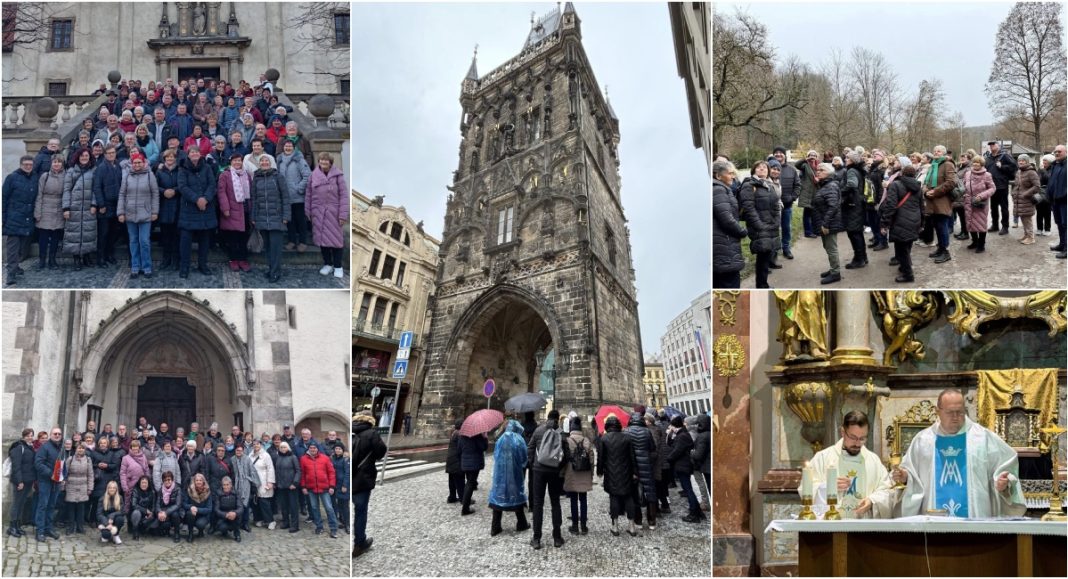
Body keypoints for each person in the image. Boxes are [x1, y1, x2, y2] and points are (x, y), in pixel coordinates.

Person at [892, 389, 1026, 517]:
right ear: (937, 411)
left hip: (975, 521)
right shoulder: (923, 440)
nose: (955, 417)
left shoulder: (982, 437)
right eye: (950, 412)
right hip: (934, 523)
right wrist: (906, 477)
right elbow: (911, 475)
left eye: (960, 412)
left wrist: (1004, 483)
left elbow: (1007, 464)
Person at [801, 411, 893, 519]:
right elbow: (805, 489)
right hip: (831, 527)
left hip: (863, 529)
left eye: (862, 438)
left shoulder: (873, 461)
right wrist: (827, 487)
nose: (857, 443)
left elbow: (887, 490)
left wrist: (872, 501)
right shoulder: (823, 457)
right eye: (853, 437)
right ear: (843, 432)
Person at [526, 409, 569, 549]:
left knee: (538, 503)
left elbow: (530, 448)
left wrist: (533, 464)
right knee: (555, 502)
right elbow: (567, 455)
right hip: (554, 472)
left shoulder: (538, 430)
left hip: (538, 471)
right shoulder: (561, 433)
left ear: (548, 418)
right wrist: (558, 465)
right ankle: (557, 537)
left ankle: (536, 539)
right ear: (557, 419)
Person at [305, 152, 349, 277]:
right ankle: (327, 264)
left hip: (334, 212)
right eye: (321, 160)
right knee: (322, 240)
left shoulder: (337, 176)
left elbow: (344, 195)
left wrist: (343, 215)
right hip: (318, 212)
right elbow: (308, 194)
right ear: (318, 161)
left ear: (330, 162)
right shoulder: (313, 176)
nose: (323, 162)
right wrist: (308, 211)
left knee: (336, 241)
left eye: (326, 161)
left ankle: (338, 266)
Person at [177, 146, 218, 278]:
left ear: (200, 154)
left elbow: (212, 185)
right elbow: (182, 186)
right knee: (185, 241)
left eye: (196, 152)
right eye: (192, 152)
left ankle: (203, 264)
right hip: (189, 209)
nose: (194, 154)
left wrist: (205, 199)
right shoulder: (183, 169)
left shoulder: (207, 168)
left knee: (204, 240)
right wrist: (196, 199)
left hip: (205, 208)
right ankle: (184, 267)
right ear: (188, 155)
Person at [116, 153, 159, 278]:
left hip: (145, 213)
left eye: (139, 162)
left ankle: (147, 266)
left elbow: (155, 194)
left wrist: (155, 211)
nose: (137, 164)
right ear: (132, 163)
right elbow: (122, 194)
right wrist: (121, 212)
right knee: (133, 241)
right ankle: (135, 266)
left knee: (144, 241)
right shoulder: (127, 176)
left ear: (143, 162)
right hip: (130, 213)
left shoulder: (149, 175)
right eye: (135, 162)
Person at [738, 160, 779, 288]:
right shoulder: (749, 185)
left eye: (765, 168)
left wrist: (777, 220)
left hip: (771, 225)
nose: (762, 169)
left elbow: (776, 205)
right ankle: (761, 285)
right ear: (754, 170)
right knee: (763, 256)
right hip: (759, 226)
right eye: (759, 167)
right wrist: (759, 225)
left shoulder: (769, 185)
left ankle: (763, 283)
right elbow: (749, 208)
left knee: (767, 254)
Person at [879, 163, 923, 282]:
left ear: (902, 173)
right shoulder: (918, 187)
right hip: (915, 219)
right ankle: (904, 267)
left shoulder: (895, 185)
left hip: (900, 220)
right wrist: (921, 223)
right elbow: (921, 206)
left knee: (901, 249)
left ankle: (908, 275)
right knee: (907, 246)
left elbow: (890, 206)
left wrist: (884, 223)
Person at [351, 411, 387, 557]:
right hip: (362, 478)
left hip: (350, 477)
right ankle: (359, 543)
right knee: (360, 511)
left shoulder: (351, 431)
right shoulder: (371, 433)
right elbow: (381, 451)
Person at [251, 154, 291, 283]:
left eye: (266, 160)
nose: (264, 162)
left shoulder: (278, 177)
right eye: (262, 161)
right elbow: (254, 199)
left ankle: (275, 272)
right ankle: (271, 269)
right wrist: (253, 217)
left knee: (276, 249)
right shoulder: (256, 178)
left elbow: (285, 197)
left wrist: (286, 216)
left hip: (277, 218)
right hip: (262, 217)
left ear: (271, 162)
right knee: (267, 248)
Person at [488, 419, 531, 537]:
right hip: (515, 472)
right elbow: (524, 458)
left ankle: (495, 527)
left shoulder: (500, 439)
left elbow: (496, 456)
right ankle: (521, 523)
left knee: (499, 495)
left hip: (500, 473)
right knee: (516, 494)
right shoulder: (519, 440)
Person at [596, 416, 637, 536]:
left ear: (607, 426)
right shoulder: (627, 437)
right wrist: (635, 472)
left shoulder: (604, 438)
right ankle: (632, 526)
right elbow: (632, 457)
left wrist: (599, 471)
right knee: (628, 497)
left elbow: (601, 457)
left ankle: (615, 526)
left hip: (611, 472)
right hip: (626, 472)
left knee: (613, 497)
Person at [3, 156, 38, 285]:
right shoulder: (12, 178)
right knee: (13, 247)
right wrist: (3, 217)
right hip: (14, 217)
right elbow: (4, 198)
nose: (28, 166)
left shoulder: (35, 177)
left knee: (23, 247)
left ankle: (16, 266)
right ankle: (10, 274)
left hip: (28, 217)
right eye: (25, 164)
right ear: (20, 165)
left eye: (30, 164)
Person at [712, 159, 746, 288]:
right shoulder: (719, 190)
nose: (733, 176)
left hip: (722, 245)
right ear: (718, 175)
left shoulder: (721, 189)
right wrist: (742, 231)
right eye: (730, 173)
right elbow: (726, 219)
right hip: (724, 246)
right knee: (730, 287)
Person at [216, 153, 253, 272]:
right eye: (235, 160)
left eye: (239, 160)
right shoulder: (225, 175)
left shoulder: (246, 174)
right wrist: (225, 208)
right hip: (231, 209)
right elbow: (221, 192)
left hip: (245, 209)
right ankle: (233, 259)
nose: (237, 162)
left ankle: (243, 259)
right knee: (233, 237)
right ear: (231, 162)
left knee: (243, 236)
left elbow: (251, 192)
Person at [809, 163, 843, 284]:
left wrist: (825, 224)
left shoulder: (831, 186)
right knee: (828, 247)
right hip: (825, 222)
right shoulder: (825, 184)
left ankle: (835, 273)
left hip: (829, 223)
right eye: (817, 170)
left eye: (821, 170)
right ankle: (833, 269)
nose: (818, 171)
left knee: (831, 248)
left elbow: (833, 206)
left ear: (829, 172)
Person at [922, 146, 957, 264]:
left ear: (944, 153)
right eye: (934, 150)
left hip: (942, 201)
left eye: (938, 151)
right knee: (937, 226)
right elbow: (927, 181)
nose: (936, 152)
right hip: (931, 201)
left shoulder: (948, 164)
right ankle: (940, 248)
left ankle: (945, 252)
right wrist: (926, 191)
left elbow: (951, 182)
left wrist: (935, 191)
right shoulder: (933, 165)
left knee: (942, 226)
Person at [666, 415, 704, 523]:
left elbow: (677, 451)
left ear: (675, 426)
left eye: (672, 426)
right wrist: (670, 435)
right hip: (683, 465)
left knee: (688, 490)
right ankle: (698, 511)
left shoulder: (682, 436)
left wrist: (669, 459)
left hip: (683, 466)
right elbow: (671, 444)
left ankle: (694, 514)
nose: (670, 428)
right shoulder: (682, 434)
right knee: (688, 489)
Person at [624, 411, 658, 530]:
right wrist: (649, 460)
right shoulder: (647, 431)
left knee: (634, 493)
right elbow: (653, 449)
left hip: (632, 467)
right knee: (650, 493)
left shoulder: (626, 431)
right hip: (646, 465)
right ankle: (652, 521)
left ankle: (638, 521)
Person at [276, 140, 311, 253]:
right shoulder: (280, 161)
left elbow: (307, 176)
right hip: (285, 197)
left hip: (298, 197)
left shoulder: (299, 160)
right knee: (289, 220)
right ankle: (291, 241)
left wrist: (299, 188)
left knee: (300, 220)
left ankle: (302, 242)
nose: (288, 148)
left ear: (294, 148)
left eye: (290, 146)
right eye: (286, 146)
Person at [92, 144, 122, 268]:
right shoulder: (101, 167)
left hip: (117, 204)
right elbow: (97, 187)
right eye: (108, 153)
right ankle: (101, 258)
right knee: (103, 234)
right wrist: (101, 204)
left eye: (113, 152)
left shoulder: (118, 166)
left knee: (113, 233)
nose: (111, 155)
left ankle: (109, 254)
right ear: (105, 155)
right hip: (105, 204)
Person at [563, 416, 594, 535]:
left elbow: (564, 459)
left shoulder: (567, 440)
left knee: (573, 500)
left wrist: (563, 473)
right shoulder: (586, 440)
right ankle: (584, 526)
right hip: (584, 472)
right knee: (583, 499)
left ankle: (575, 526)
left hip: (571, 472)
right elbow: (591, 458)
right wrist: (591, 473)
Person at [32, 427, 63, 542]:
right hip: (45, 481)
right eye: (55, 433)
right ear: (51, 435)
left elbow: (61, 464)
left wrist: (62, 476)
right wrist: (51, 474)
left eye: (59, 434)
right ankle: (40, 531)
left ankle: (48, 528)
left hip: (56, 482)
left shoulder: (60, 448)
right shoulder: (45, 447)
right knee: (43, 506)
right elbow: (38, 463)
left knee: (51, 506)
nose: (57, 435)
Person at [300, 443, 338, 538]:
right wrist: (303, 486)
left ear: (317, 449)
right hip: (311, 488)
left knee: (329, 508)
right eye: (311, 448)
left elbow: (331, 472)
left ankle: (333, 528)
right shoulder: (303, 459)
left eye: (314, 448)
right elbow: (302, 474)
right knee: (314, 508)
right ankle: (319, 526)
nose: (312, 449)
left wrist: (332, 486)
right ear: (308, 449)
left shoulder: (325, 458)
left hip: (324, 487)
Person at [983, 141, 1018, 235]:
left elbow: (1014, 167)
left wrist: (1002, 166)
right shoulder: (988, 158)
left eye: (993, 144)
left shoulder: (1005, 156)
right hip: (991, 187)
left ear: (998, 146)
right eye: (990, 145)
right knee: (993, 207)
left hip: (1002, 186)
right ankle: (995, 225)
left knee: (1004, 208)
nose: (991, 146)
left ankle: (1005, 227)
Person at [962, 155, 995, 254]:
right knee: (970, 222)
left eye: (978, 162)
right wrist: (963, 193)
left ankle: (981, 245)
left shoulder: (987, 175)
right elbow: (964, 185)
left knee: (981, 224)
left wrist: (981, 196)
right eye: (974, 162)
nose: (976, 164)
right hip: (968, 202)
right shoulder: (967, 173)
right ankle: (974, 242)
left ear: (982, 164)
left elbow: (992, 188)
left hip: (980, 203)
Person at [7, 429, 36, 537]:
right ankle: (12, 527)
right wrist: (19, 481)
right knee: (16, 504)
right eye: (28, 435)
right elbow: (16, 466)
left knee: (21, 504)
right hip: (20, 481)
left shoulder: (30, 447)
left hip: (28, 481)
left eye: (31, 435)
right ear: (23, 436)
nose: (30, 437)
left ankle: (17, 525)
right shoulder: (19, 447)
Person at [63, 440, 93, 535]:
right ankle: (71, 526)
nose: (80, 450)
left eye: (82, 448)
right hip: (71, 485)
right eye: (79, 448)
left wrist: (90, 488)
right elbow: (65, 473)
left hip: (83, 486)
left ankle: (80, 526)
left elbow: (90, 475)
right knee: (71, 507)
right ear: (76, 449)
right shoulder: (70, 459)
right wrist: (63, 486)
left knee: (81, 508)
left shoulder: (88, 460)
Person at [458, 429, 488, 516]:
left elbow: (459, 449)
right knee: (470, 483)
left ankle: (465, 504)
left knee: (469, 483)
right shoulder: (478, 435)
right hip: (474, 463)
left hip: (465, 462)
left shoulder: (462, 435)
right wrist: (485, 437)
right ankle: (465, 508)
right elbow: (483, 447)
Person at [274, 441, 301, 533]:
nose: (283, 449)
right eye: (281, 447)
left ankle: (295, 525)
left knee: (293, 507)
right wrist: (276, 483)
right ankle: (286, 522)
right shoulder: (278, 458)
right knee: (284, 506)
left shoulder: (293, 457)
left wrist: (295, 483)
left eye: (284, 447)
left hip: (291, 486)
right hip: (281, 486)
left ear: (288, 448)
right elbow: (276, 471)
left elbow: (298, 471)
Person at [1012, 154, 1039, 245]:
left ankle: (1031, 237)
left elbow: (1037, 186)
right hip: (1018, 200)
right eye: (1019, 160)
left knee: (1027, 219)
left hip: (1027, 200)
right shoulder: (1019, 172)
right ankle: (1026, 235)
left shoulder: (1031, 172)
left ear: (1027, 161)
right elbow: (1016, 185)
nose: (1021, 162)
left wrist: (1025, 194)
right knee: (1023, 218)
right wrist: (1014, 193)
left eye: (1023, 160)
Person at [250, 440, 276, 529]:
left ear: (260, 445)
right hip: (253, 481)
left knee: (264, 501)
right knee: (255, 501)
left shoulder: (266, 455)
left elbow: (270, 469)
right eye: (254, 444)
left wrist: (270, 482)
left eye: (257, 444)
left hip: (263, 480)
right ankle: (258, 519)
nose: (256, 445)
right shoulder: (250, 455)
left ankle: (270, 520)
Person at [182, 473, 213, 542]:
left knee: (200, 524)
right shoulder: (190, 490)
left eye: (200, 480)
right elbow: (184, 504)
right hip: (192, 514)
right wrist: (191, 507)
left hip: (203, 515)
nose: (198, 482)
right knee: (189, 514)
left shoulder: (208, 492)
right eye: (197, 480)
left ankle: (201, 530)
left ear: (203, 481)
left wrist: (197, 509)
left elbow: (209, 509)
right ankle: (190, 534)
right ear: (194, 481)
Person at [154, 470, 183, 543]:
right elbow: (157, 503)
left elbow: (178, 504)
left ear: (172, 480)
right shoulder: (161, 490)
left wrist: (166, 512)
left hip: (175, 511)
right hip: (164, 511)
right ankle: (166, 530)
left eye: (169, 479)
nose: (167, 481)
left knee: (175, 514)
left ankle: (177, 533)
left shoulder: (177, 489)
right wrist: (159, 512)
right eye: (165, 480)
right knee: (159, 522)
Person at [1049, 145, 1067, 259]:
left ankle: (1066, 249)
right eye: (1055, 152)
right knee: (1059, 223)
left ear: (1066, 152)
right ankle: (1062, 244)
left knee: (1066, 225)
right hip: (1055, 200)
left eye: (1059, 151)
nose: (1057, 153)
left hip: (1065, 200)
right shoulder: (1055, 165)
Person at [213, 476, 244, 542]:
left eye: (227, 485)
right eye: (224, 485)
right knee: (222, 527)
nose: (226, 487)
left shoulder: (236, 493)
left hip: (234, 516)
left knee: (235, 517)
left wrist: (235, 513)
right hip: (223, 516)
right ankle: (224, 531)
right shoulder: (218, 493)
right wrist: (226, 515)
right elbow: (216, 509)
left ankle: (237, 533)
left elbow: (240, 507)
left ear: (231, 485)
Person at [128, 475, 156, 540]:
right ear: (139, 483)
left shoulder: (152, 492)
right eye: (142, 483)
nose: (144, 484)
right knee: (136, 512)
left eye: (145, 483)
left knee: (154, 522)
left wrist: (151, 513)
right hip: (137, 513)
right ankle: (135, 530)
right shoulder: (135, 491)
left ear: (148, 484)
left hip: (148, 514)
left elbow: (154, 505)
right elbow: (134, 505)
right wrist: (145, 510)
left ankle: (145, 528)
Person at [96, 480, 125, 544]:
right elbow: (99, 514)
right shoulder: (102, 498)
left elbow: (122, 511)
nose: (112, 489)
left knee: (120, 519)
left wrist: (112, 515)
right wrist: (107, 523)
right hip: (104, 521)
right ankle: (105, 534)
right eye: (110, 487)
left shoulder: (120, 498)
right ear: (107, 488)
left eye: (114, 488)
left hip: (114, 520)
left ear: (116, 489)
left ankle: (116, 535)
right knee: (106, 536)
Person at [331, 445, 351, 534]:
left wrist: (345, 485)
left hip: (343, 485)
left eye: (339, 449)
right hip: (335, 485)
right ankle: (342, 521)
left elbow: (348, 473)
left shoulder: (346, 459)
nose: (337, 450)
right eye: (336, 449)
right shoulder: (333, 458)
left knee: (345, 506)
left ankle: (348, 525)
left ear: (342, 450)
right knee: (339, 505)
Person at [1037, 154, 1054, 237]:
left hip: (1048, 193)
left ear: (1050, 162)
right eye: (1043, 160)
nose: (1043, 162)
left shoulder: (1052, 169)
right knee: (1039, 212)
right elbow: (1037, 179)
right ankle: (1039, 228)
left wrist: (1043, 170)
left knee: (1047, 212)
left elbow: (1049, 179)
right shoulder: (1040, 170)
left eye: (1045, 161)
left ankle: (1047, 229)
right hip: (1040, 192)